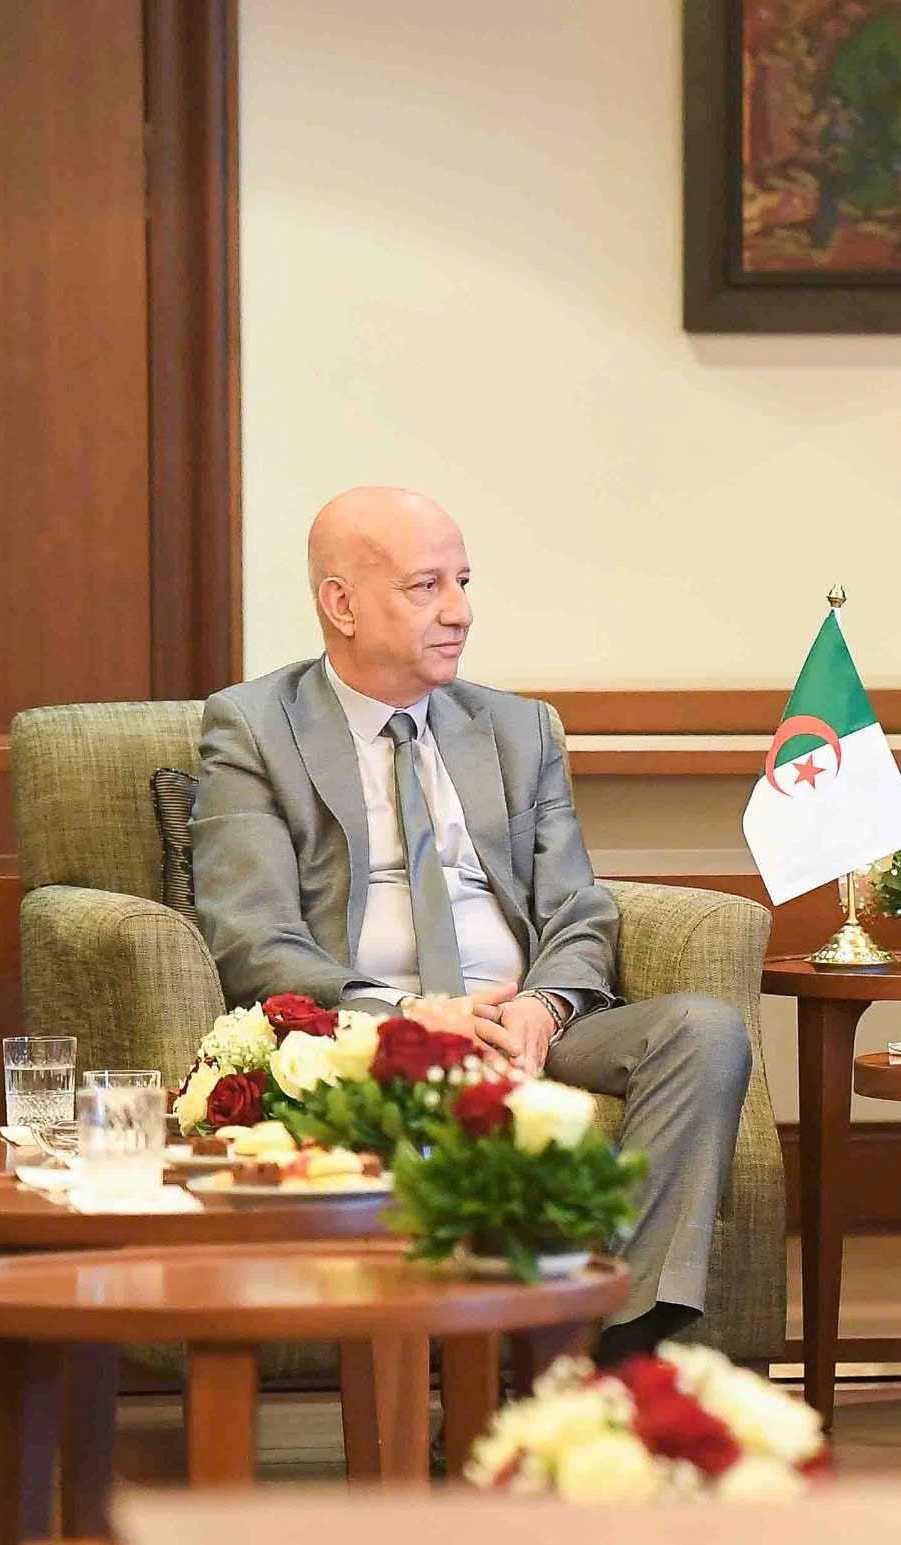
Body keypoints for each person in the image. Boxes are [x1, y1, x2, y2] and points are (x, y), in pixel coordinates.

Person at [190, 487, 753, 1364]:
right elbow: (251, 935)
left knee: (704, 1031)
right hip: (373, 1029)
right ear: (341, 604)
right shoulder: (256, 728)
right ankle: (496, 1371)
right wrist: (408, 1017)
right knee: (406, 1072)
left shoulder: (517, 728)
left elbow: (578, 905)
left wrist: (544, 1007)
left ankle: (616, 1345)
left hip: (520, 1018)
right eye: (426, 586)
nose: (460, 611)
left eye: (462, 581)